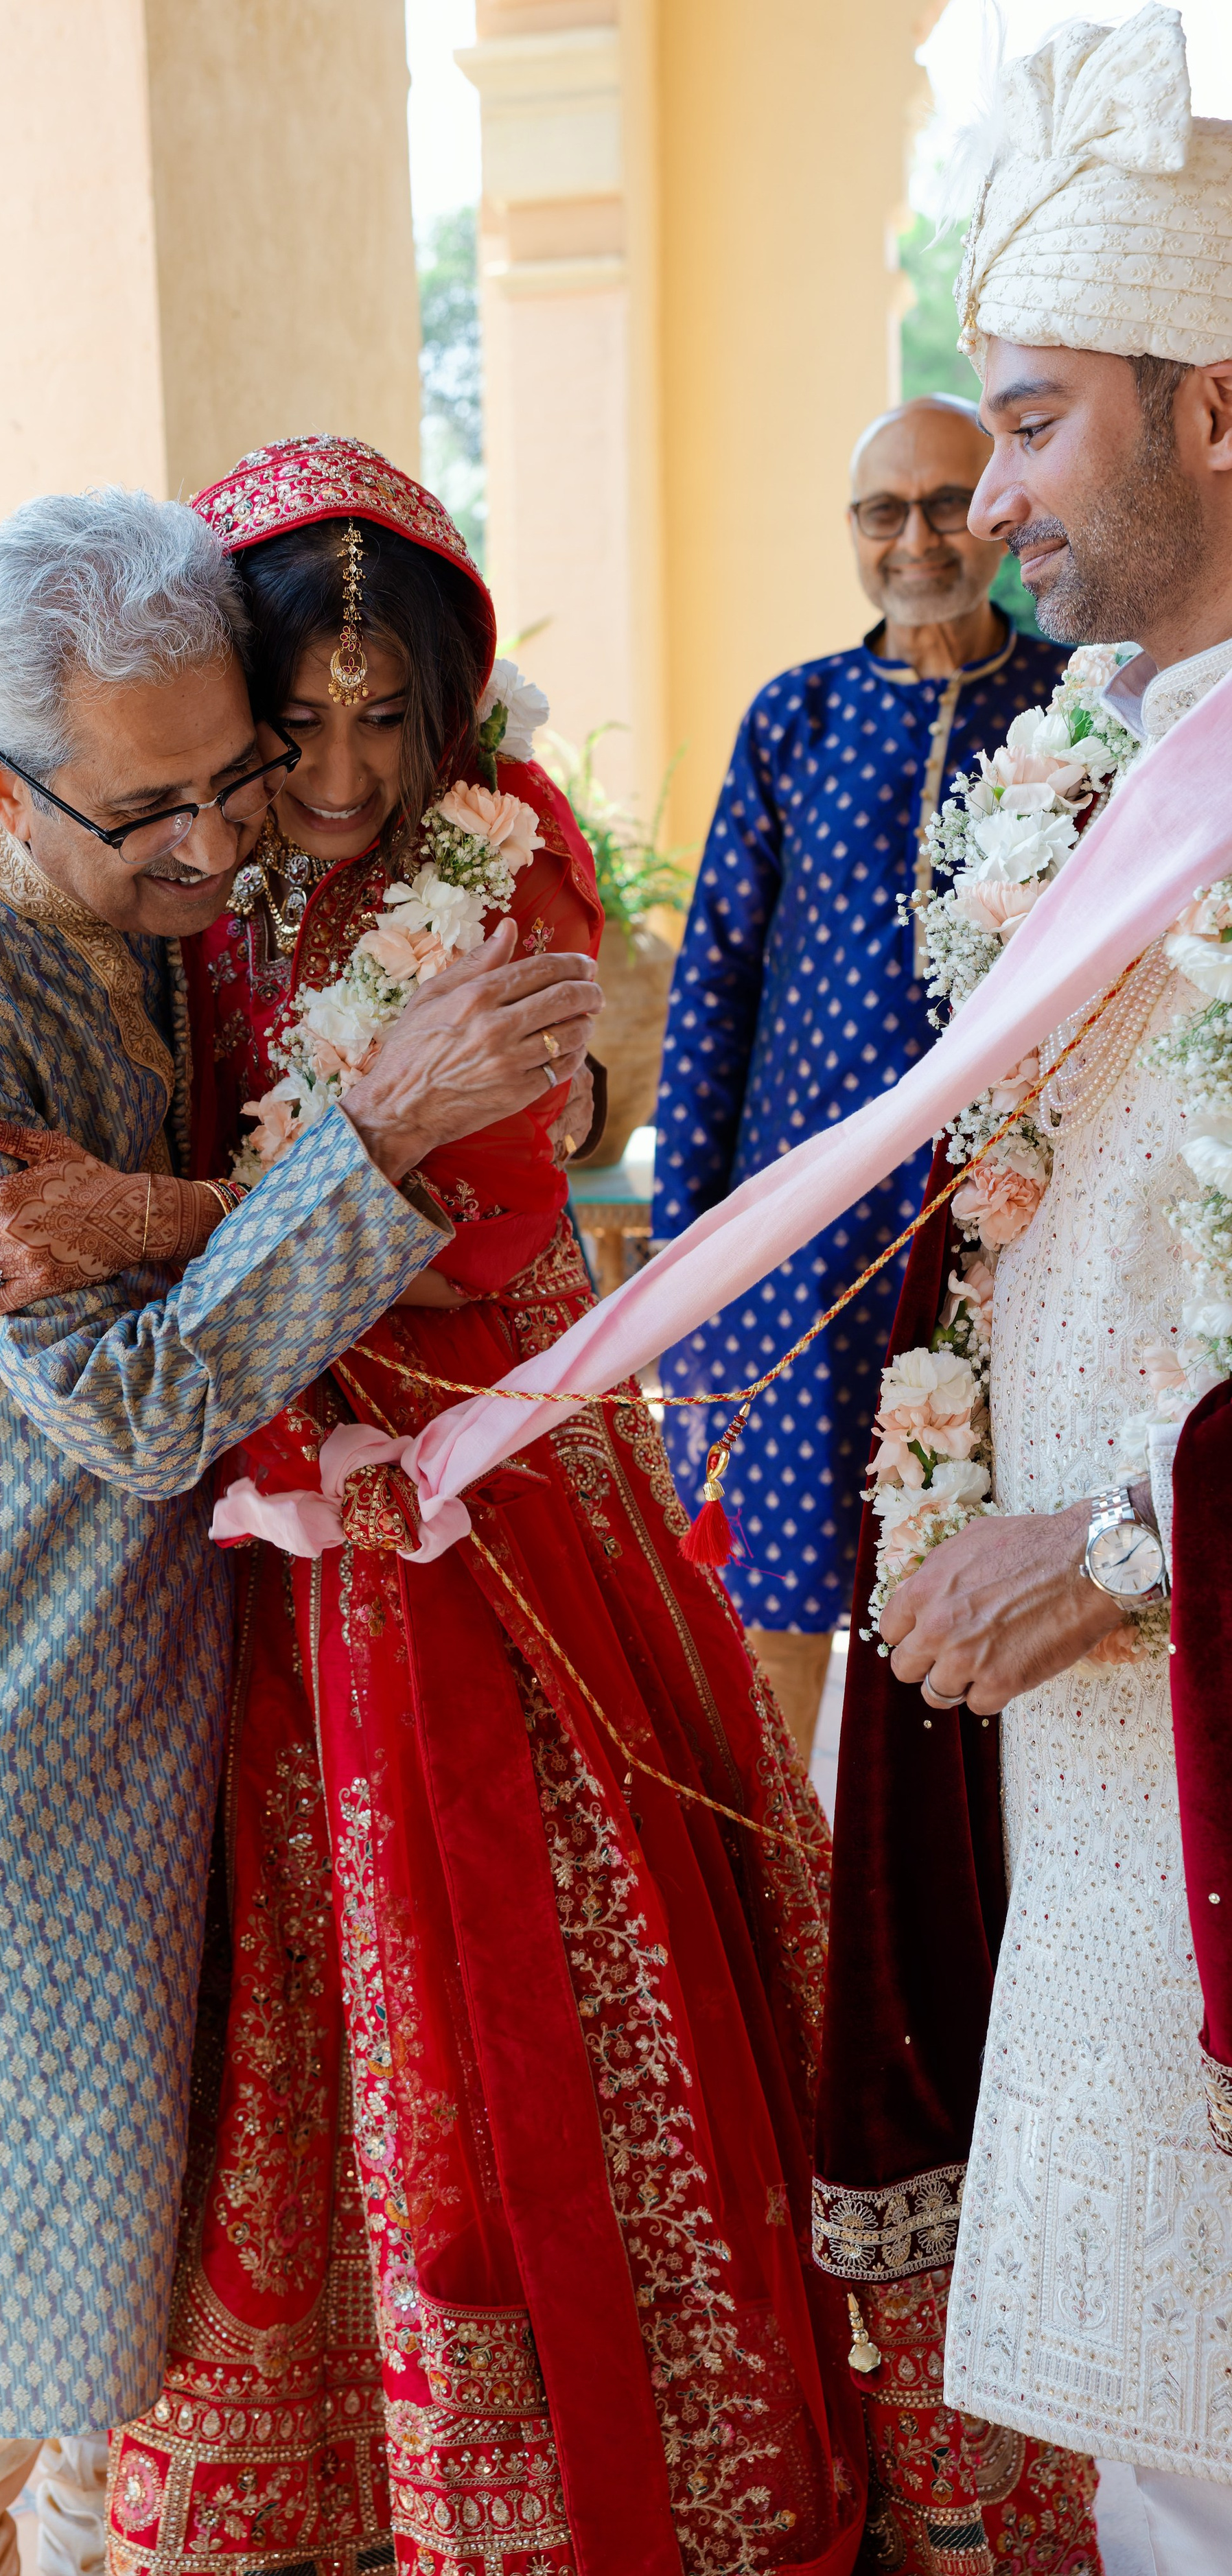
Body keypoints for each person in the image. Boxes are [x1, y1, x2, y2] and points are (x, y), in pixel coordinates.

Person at [0, 437, 868, 2576]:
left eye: (376, 725)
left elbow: (493, 1216)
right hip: (51, 1651)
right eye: (295, 734)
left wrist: (154, 1200)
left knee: (262, 2160)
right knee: (63, 2243)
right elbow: (153, 1375)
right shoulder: (41, 926)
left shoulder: (457, 857)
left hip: (418, 1540)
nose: (306, 791)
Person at [815, 10, 1232, 2576]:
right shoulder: (1099, 752)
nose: (987, 491)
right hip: (1098, 1760)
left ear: (1223, 414)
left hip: (1183, 1651)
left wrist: (1134, 1537)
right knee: (1167, 2437)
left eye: (1043, 418)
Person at [654, 396, 1069, 1762]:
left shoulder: (1066, 702)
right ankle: (783, 1927)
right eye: (880, 511)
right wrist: (683, 1257)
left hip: (995, 1220)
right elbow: (712, 977)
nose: (915, 538)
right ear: (851, 532)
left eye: (944, 502)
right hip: (797, 1226)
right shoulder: (796, 718)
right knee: (772, 1584)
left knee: (961, 1565)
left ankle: (926, 1928)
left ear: (996, 510)